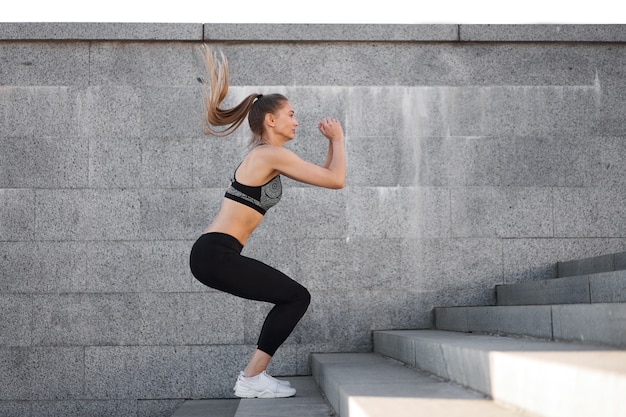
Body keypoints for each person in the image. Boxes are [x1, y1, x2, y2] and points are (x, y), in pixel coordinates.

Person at [189, 46, 346, 399]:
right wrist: (338, 139)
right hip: (216, 254)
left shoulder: (268, 155)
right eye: (291, 114)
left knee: (292, 297)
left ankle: (254, 377)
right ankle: (251, 378)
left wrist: (332, 145)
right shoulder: (271, 154)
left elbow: (325, 175)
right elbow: (337, 180)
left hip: (215, 253)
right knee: (296, 297)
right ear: (271, 120)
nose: (297, 120)